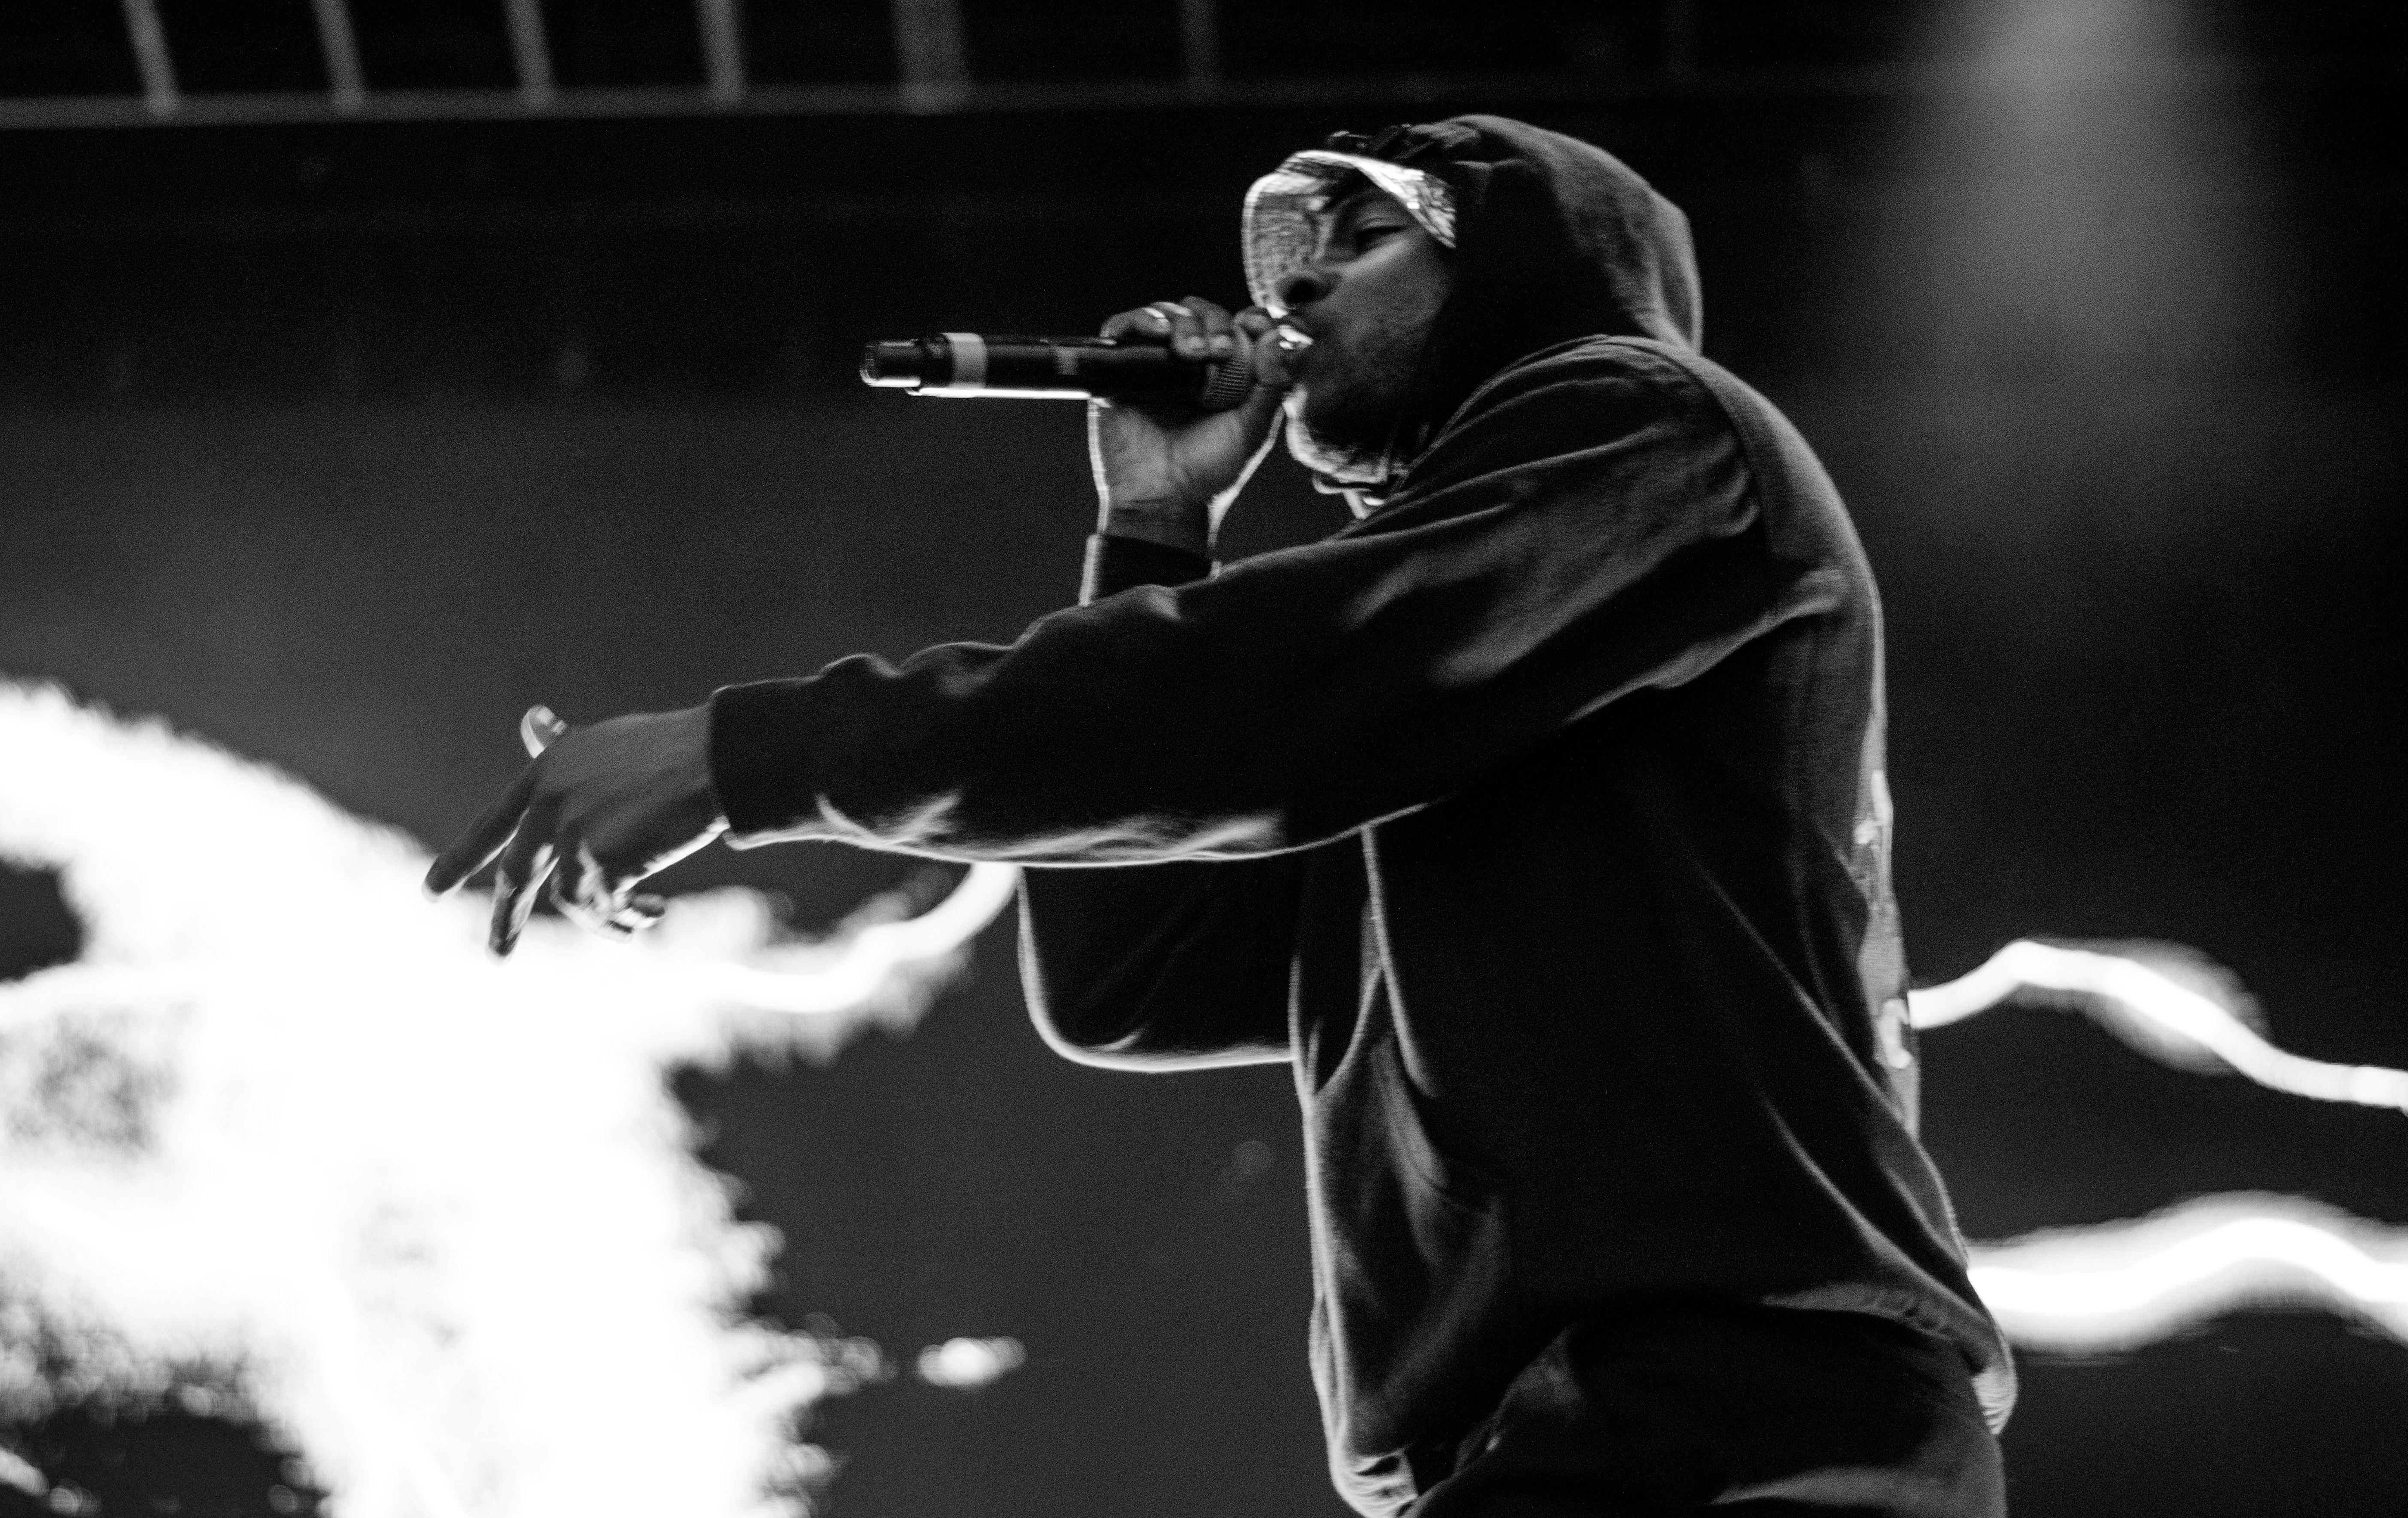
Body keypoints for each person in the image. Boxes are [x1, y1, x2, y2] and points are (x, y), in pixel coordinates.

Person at [425, 115, 2015, 1517]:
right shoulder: (1461, 698)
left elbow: (1261, 700)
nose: (1296, 284)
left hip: (1726, 1407)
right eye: (1293, 253)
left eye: (1365, 238)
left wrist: (750, 756)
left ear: (1520, 267)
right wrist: (1153, 522)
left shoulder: (1643, 424)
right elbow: (1136, 971)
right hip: (1575, 1429)